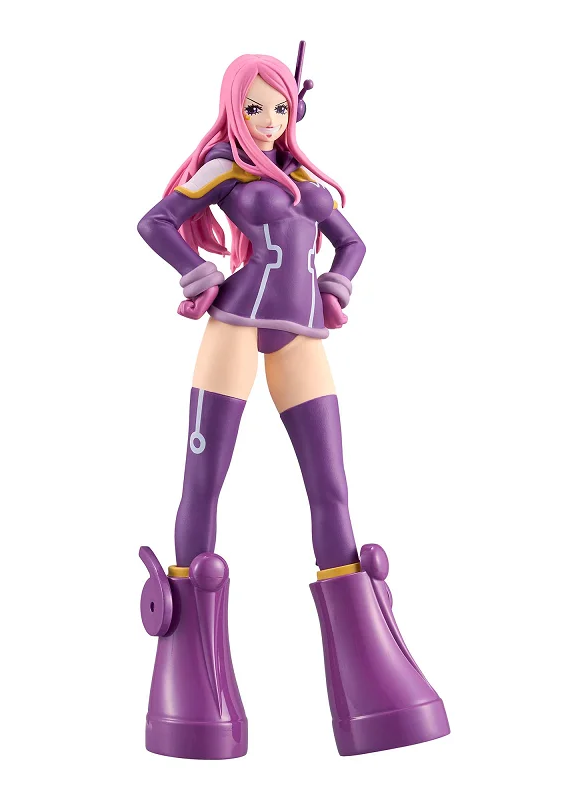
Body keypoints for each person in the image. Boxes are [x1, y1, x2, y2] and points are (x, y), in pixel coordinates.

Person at [137, 49, 450, 759]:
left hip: (302, 331)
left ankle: (375, 686)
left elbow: (353, 242)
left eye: (279, 107)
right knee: (204, 483)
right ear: (233, 108)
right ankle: (192, 682)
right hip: (236, 323)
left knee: (331, 487)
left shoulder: (306, 180)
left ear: (295, 109)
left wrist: (337, 283)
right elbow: (156, 221)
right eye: (255, 107)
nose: (269, 119)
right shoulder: (224, 167)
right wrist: (197, 272)